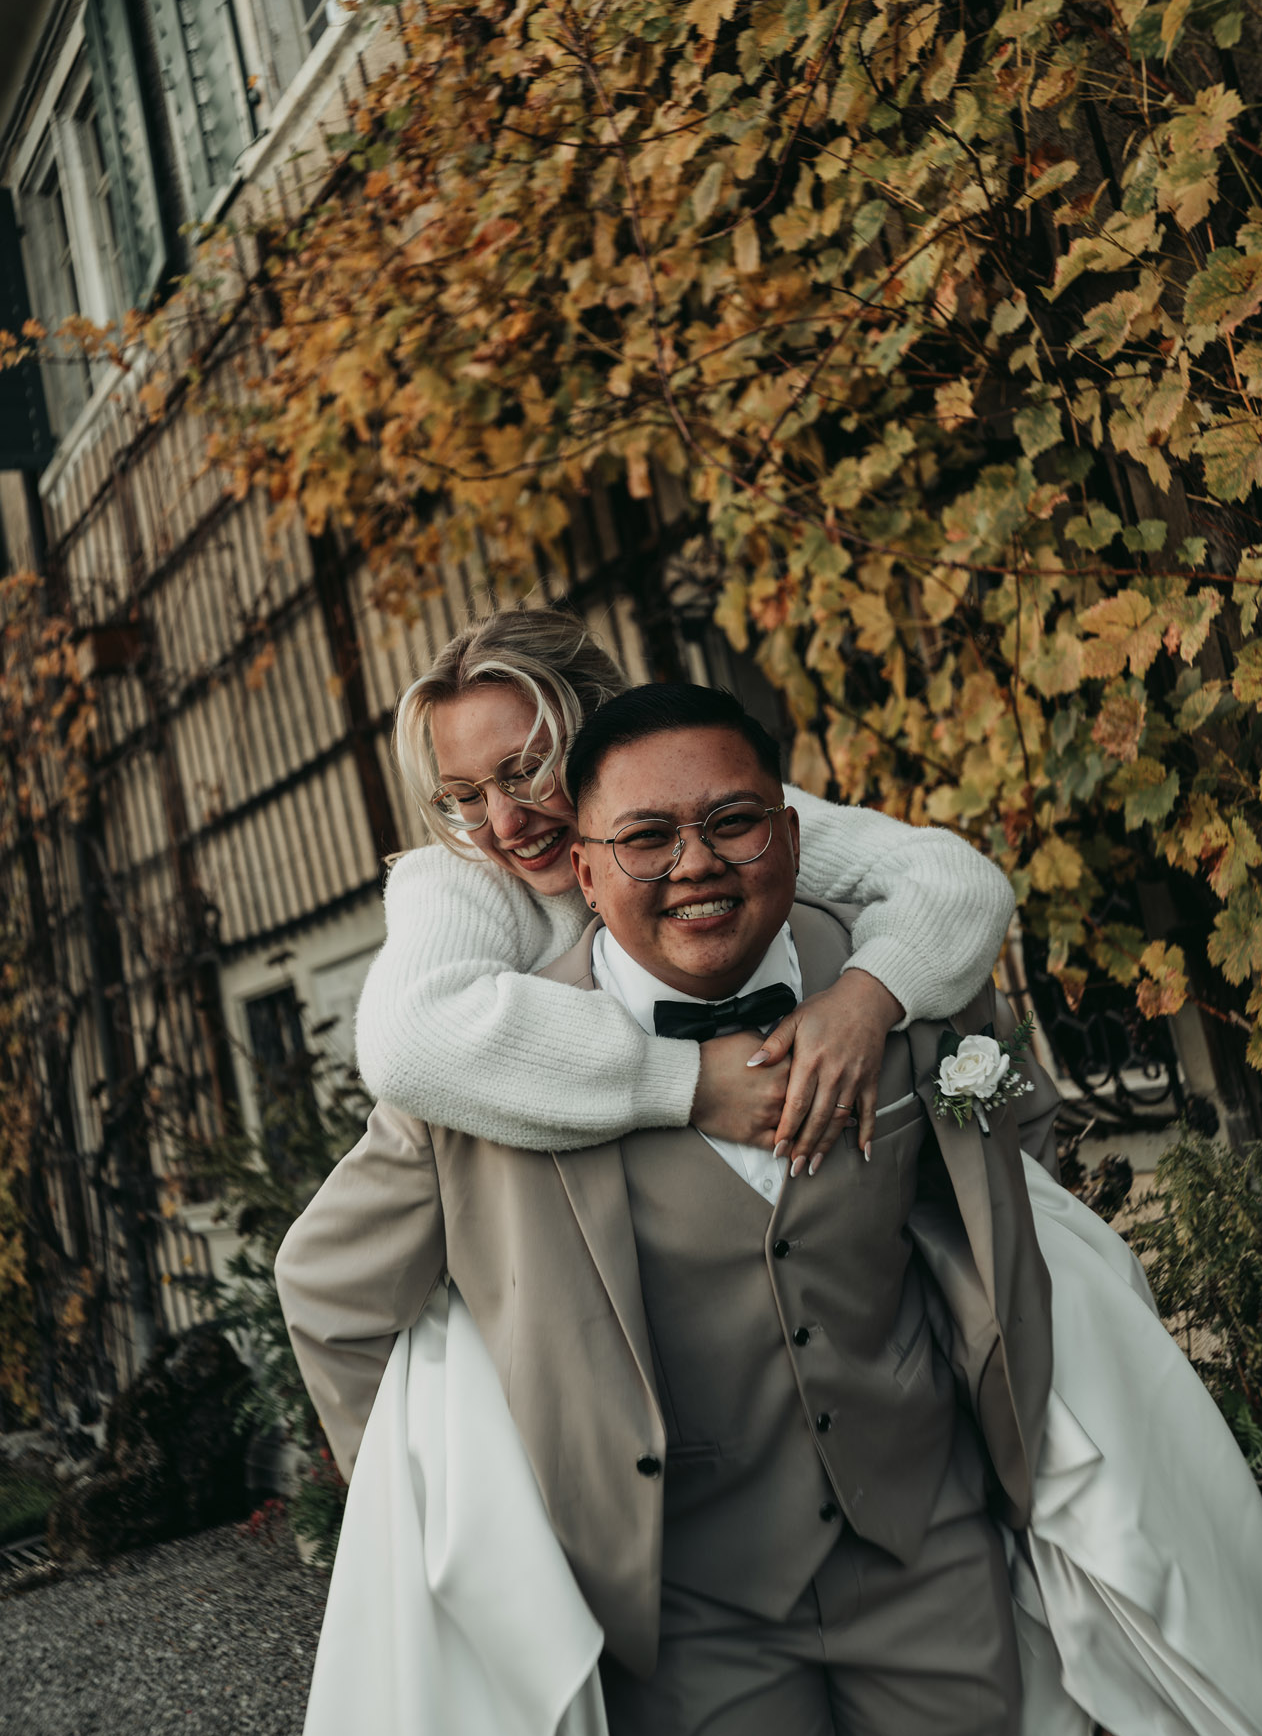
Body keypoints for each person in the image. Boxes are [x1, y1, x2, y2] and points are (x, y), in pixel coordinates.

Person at [279, 683, 1063, 1734]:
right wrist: (448, 1510)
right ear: (586, 867)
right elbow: (331, 1292)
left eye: (731, 824)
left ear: (789, 834)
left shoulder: (897, 976)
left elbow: (1017, 1166)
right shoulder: (484, 1065)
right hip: (676, 1611)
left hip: (930, 1549)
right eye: (646, 839)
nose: (695, 864)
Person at [354, 607, 1019, 1175]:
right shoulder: (458, 879)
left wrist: (865, 1001)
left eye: (527, 770)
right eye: (464, 796)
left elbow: (954, 879)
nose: (502, 824)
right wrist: (689, 1082)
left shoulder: (724, 820)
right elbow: (407, 1042)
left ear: (605, 732)